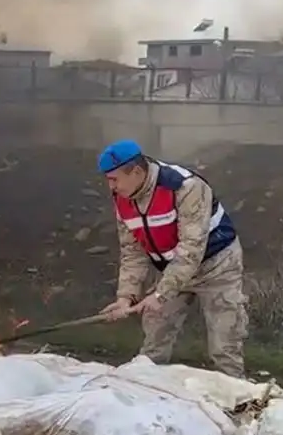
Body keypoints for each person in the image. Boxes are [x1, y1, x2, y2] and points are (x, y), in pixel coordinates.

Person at [96, 139, 248, 378]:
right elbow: (132, 252)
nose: (111, 187)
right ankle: (147, 394)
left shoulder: (185, 187)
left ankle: (237, 403)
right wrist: (126, 296)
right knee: (154, 341)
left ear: (136, 171)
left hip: (216, 266)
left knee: (224, 345)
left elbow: (191, 248)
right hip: (172, 269)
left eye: (114, 179)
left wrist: (160, 293)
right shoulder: (123, 199)